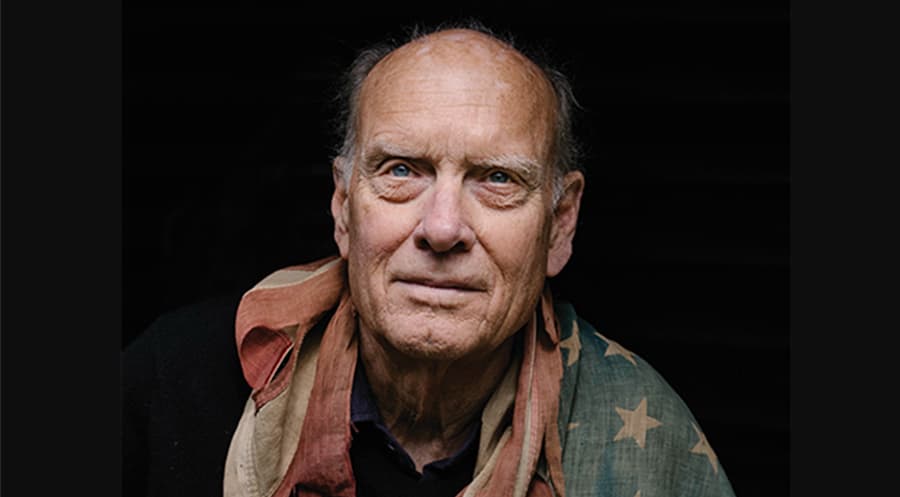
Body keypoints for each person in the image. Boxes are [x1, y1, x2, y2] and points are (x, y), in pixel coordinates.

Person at [123, 21, 737, 497]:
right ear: (342, 206)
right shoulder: (178, 377)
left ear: (560, 223)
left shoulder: (654, 446)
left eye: (496, 179)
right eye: (400, 171)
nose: (443, 228)